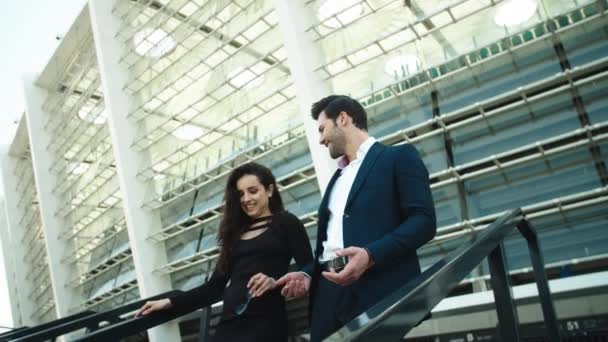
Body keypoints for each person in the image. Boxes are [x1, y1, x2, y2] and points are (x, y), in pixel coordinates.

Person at [276, 95, 437, 341]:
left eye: (322, 129)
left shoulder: (398, 157)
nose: (320, 139)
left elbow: (423, 221)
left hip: (374, 287)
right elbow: (330, 244)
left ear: (342, 118)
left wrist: (370, 256)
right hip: (326, 296)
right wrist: (308, 274)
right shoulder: (336, 180)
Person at [135, 162, 313, 342]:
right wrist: (170, 302)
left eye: (253, 191)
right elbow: (213, 288)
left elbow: (309, 267)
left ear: (269, 190)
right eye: (240, 194)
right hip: (229, 326)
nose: (246, 199)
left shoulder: (287, 222)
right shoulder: (235, 234)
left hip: (266, 325)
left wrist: (275, 282)